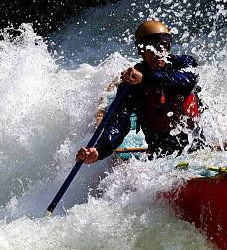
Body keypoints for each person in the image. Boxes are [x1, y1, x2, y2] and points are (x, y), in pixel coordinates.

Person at [76, 20, 206, 164]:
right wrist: (99, 151)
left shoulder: (184, 63)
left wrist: (146, 79)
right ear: (141, 52)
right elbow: (119, 124)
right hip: (160, 155)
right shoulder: (132, 84)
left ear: (168, 47)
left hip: (196, 148)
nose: (157, 52)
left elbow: (186, 82)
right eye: (150, 48)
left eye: (161, 46)